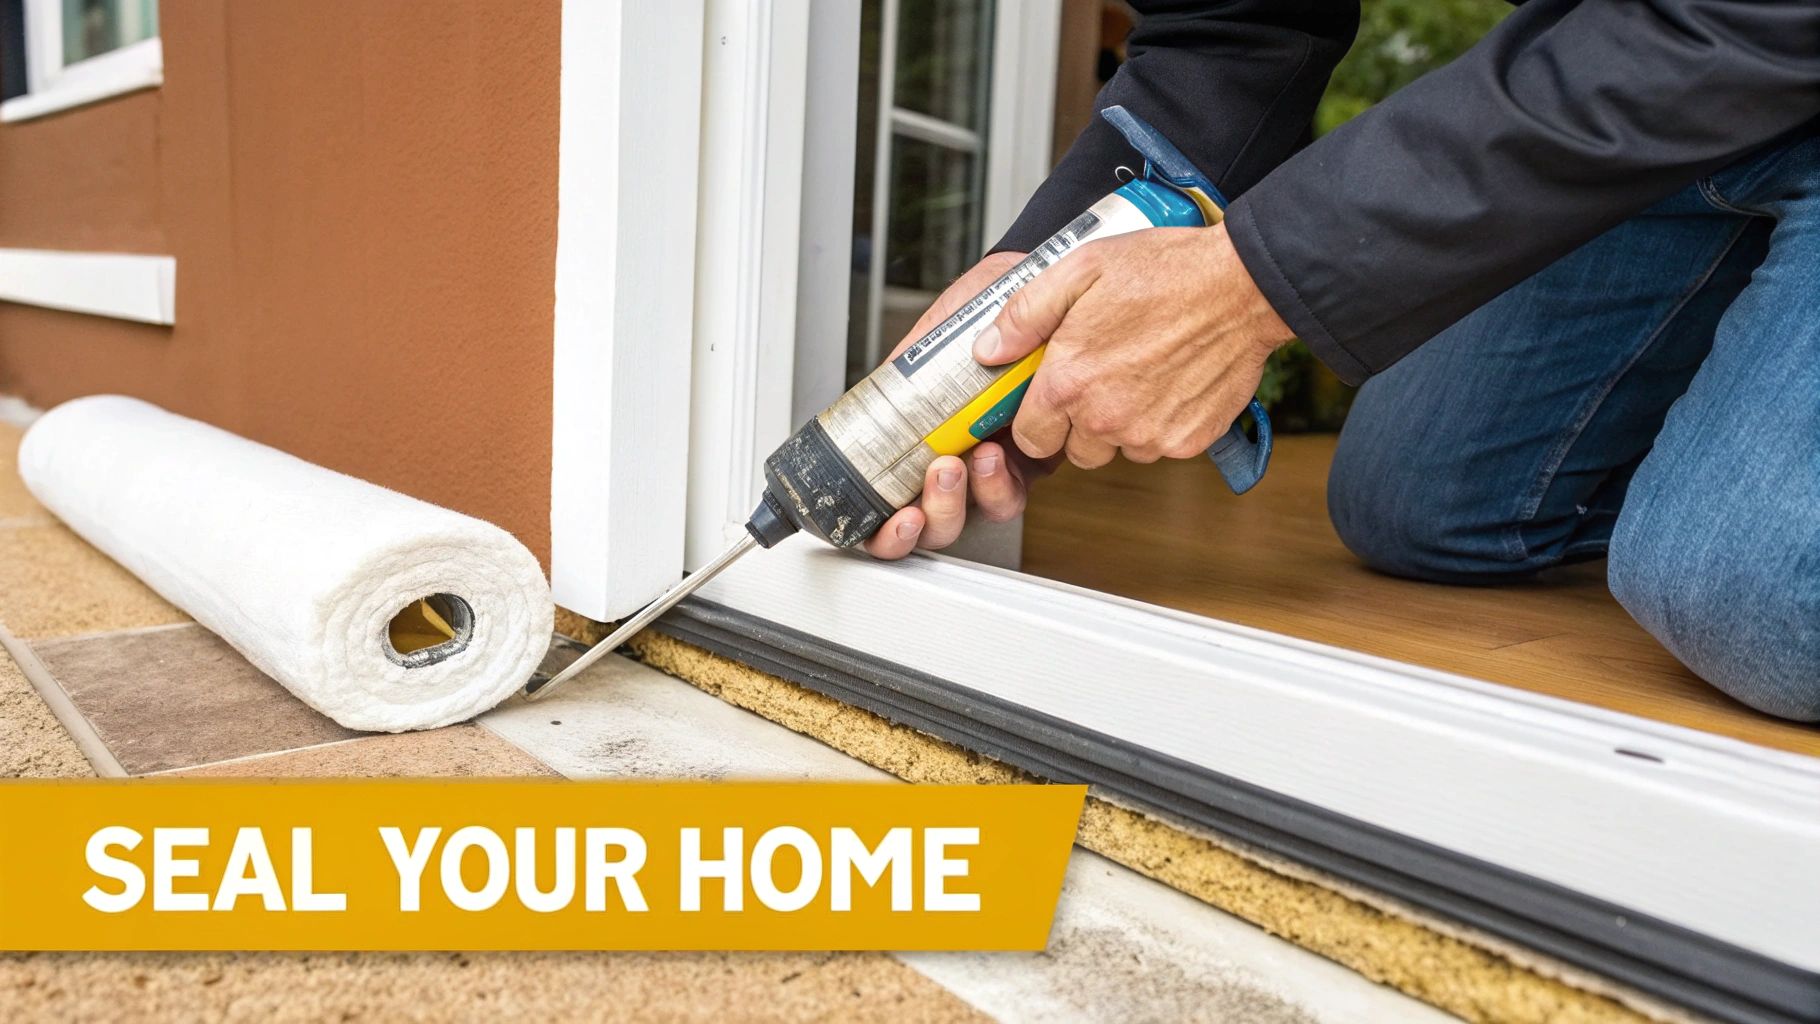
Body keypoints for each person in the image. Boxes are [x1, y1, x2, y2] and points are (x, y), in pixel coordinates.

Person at [861, 0, 1820, 722]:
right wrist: (1032, 283)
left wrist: (1247, 286)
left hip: (1753, 33)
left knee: (1750, 597)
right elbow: (1234, 24)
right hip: (1643, 78)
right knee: (1419, 510)